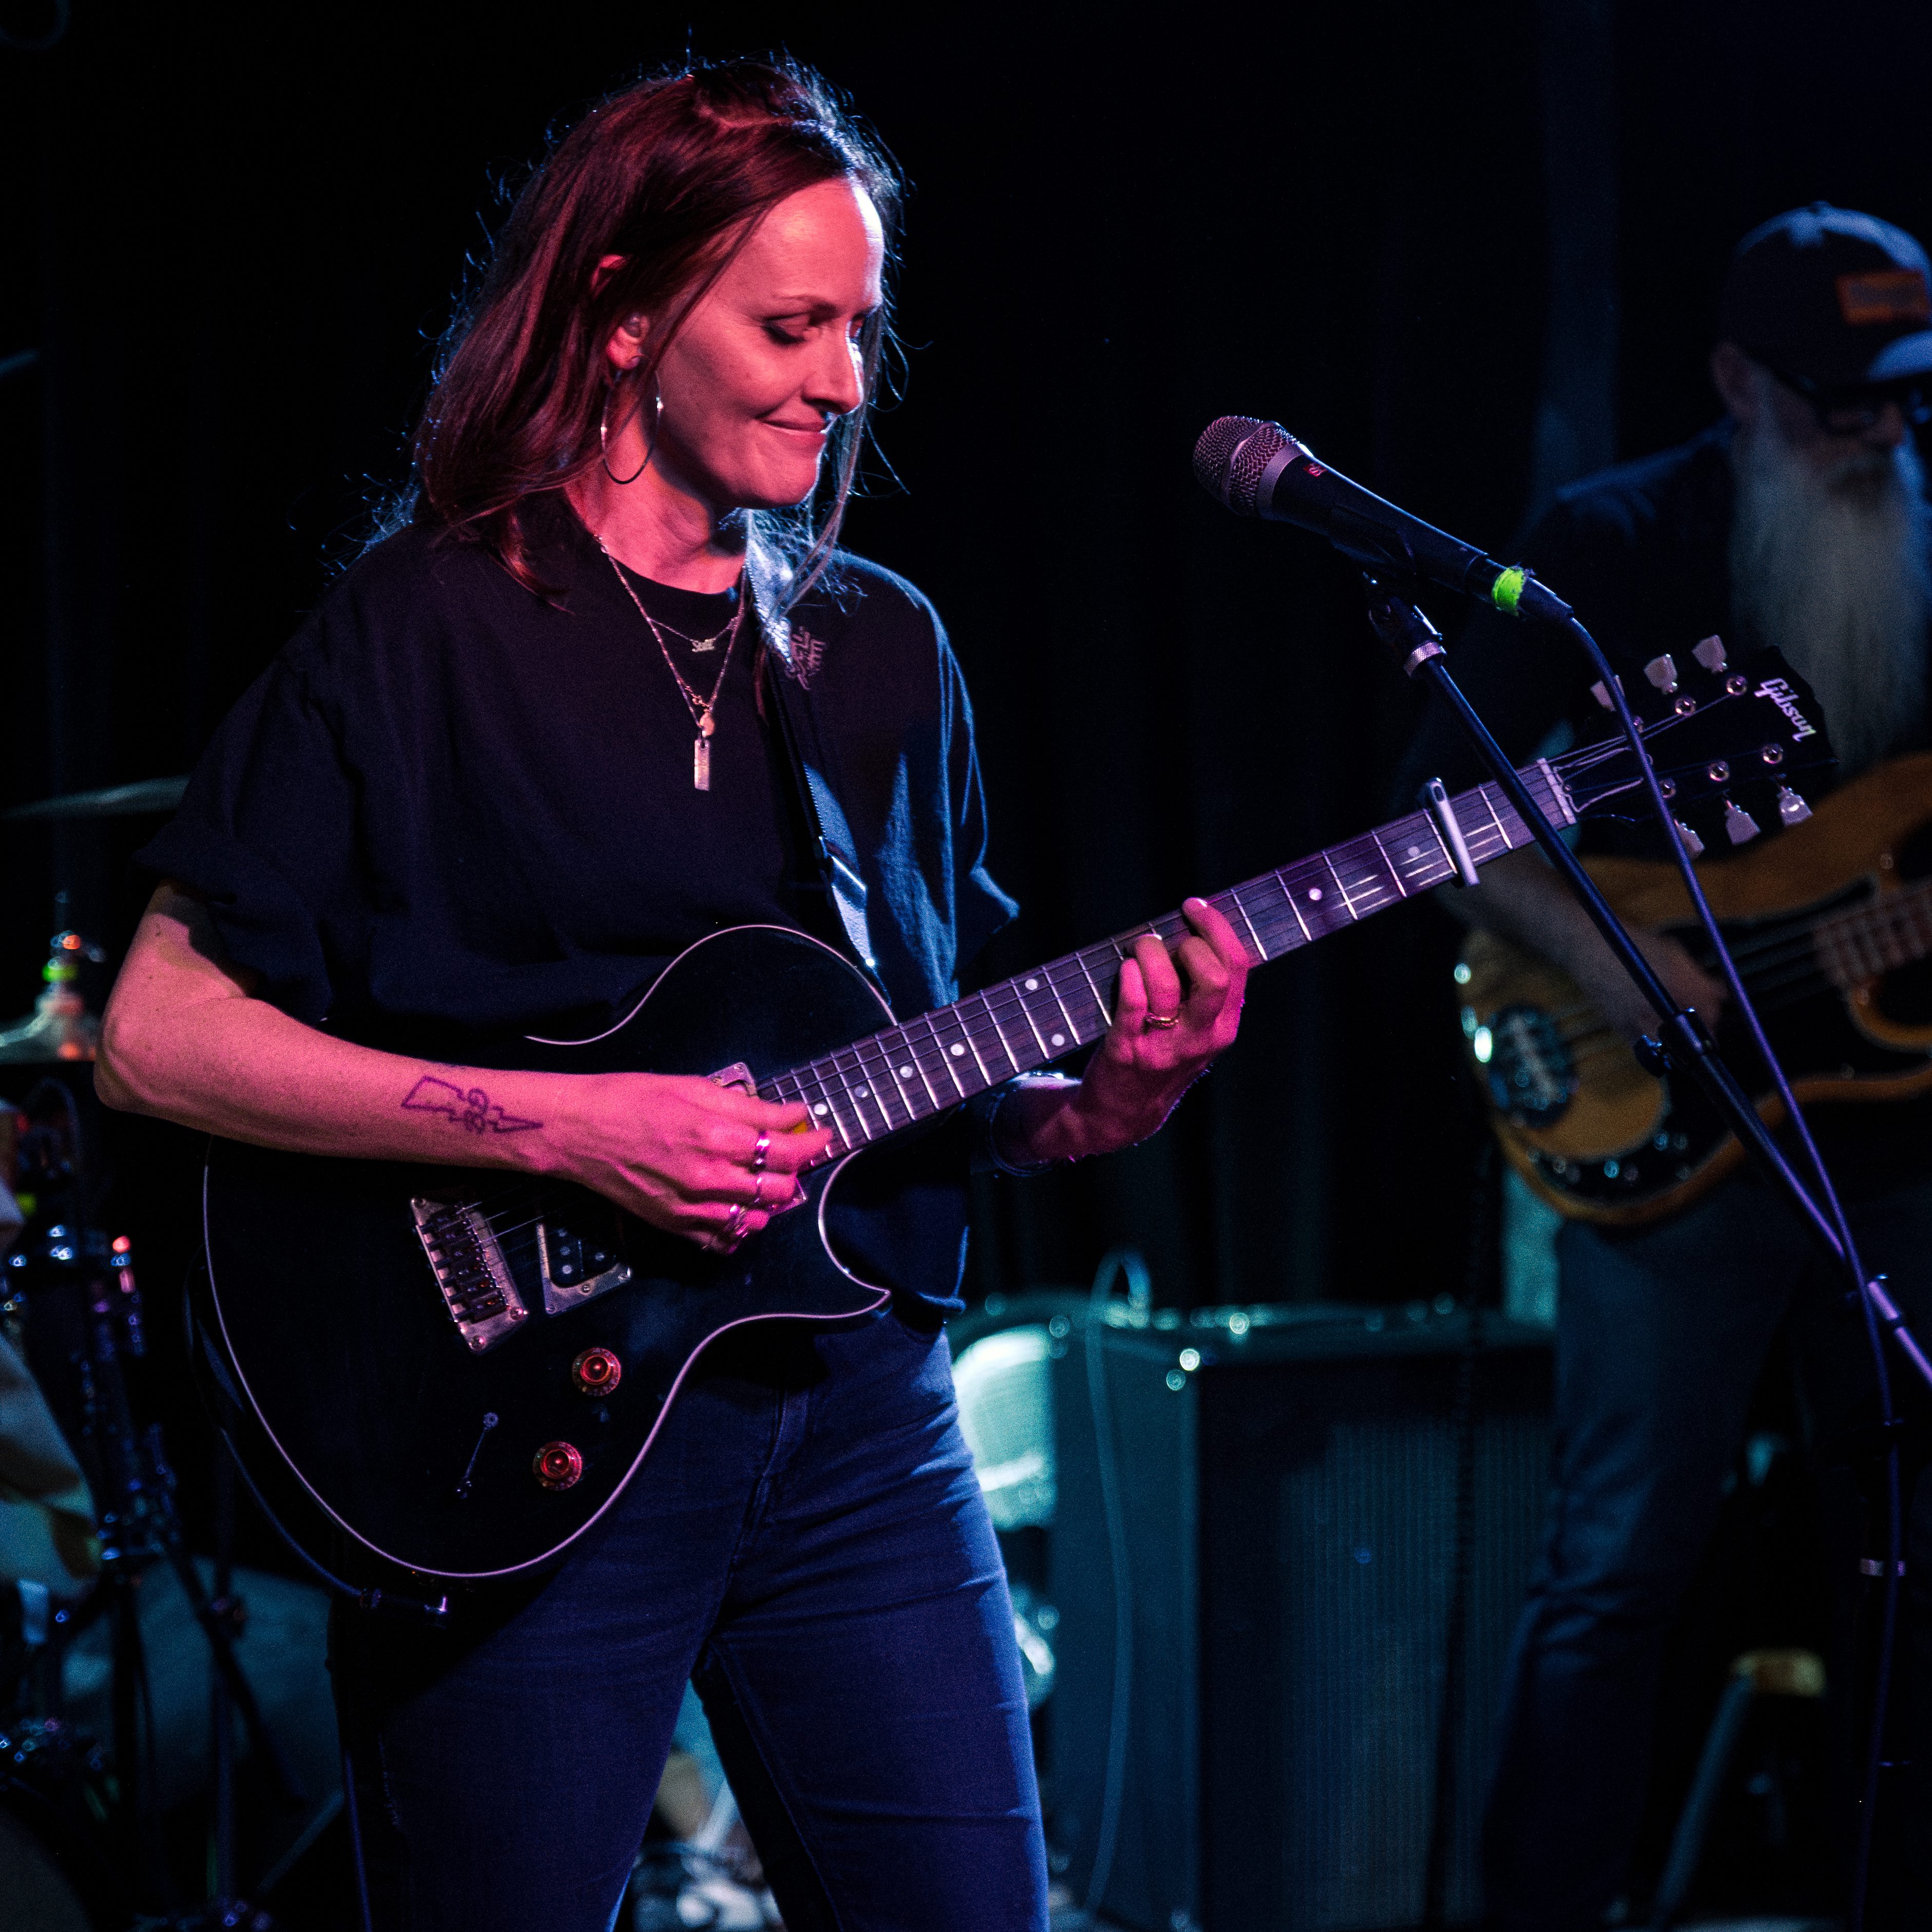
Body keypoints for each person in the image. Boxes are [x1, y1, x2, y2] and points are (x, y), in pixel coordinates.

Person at [93, 61, 1250, 1932]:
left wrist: (1098, 1105)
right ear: (627, 316)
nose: (845, 377)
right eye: (791, 325)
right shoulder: (427, 627)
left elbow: (929, 1063)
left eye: (861, 328)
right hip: (516, 1438)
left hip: (859, 1421)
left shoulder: (879, 649)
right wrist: (570, 1123)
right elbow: (155, 1029)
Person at [1395, 202, 1932, 1928]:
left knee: (1908, 1539)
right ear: (1733, 380)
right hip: (1668, 1117)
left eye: (1903, 399)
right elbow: (1436, 813)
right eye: (1840, 399)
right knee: (1620, 1563)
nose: (1880, 434)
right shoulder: (1614, 536)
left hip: (1899, 1132)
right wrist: (1620, 965)